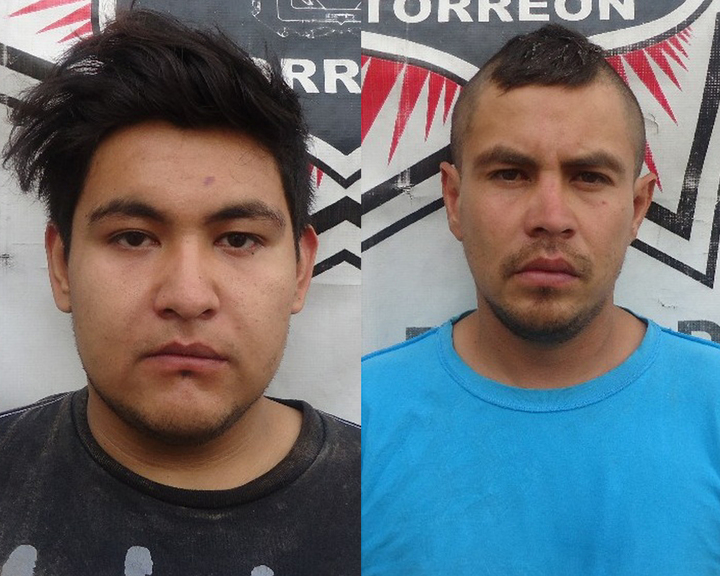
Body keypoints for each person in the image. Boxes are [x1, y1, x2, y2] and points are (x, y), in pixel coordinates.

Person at [0, 9, 359, 575]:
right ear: (61, 264)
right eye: (133, 237)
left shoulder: (407, 508)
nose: (188, 297)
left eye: (238, 239)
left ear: (300, 270)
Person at [362, 24, 720, 574]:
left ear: (638, 207)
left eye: (589, 177)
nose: (551, 217)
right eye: (510, 174)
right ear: (454, 200)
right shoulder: (361, 421)